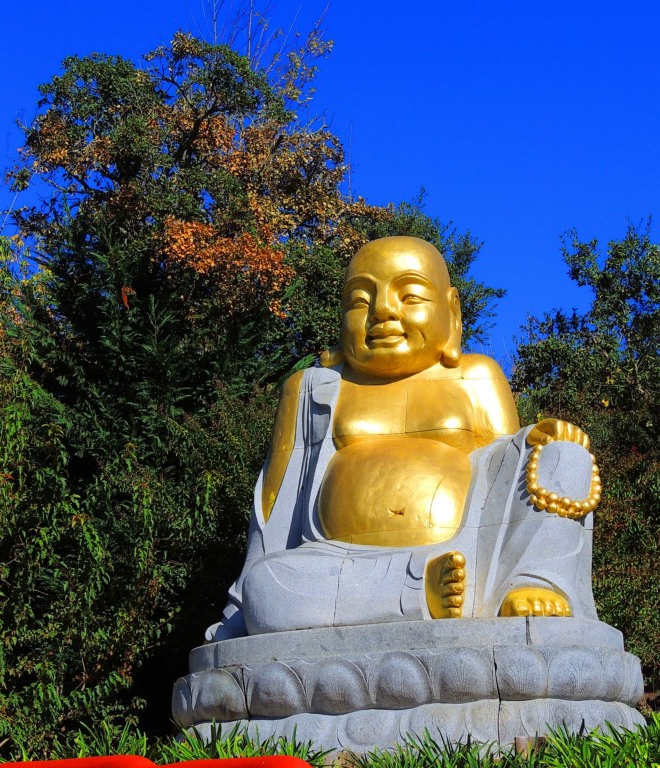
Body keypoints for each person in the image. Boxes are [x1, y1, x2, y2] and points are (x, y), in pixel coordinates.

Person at [206, 237, 600, 641]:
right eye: (360, 300)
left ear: (452, 311)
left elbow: (505, 475)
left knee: (566, 455)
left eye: (410, 295)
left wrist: (535, 440)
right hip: (341, 567)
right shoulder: (314, 388)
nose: (382, 311)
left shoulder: (475, 376)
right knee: (267, 589)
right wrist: (243, 604)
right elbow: (274, 506)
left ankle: (532, 580)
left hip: (469, 555)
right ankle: (419, 590)